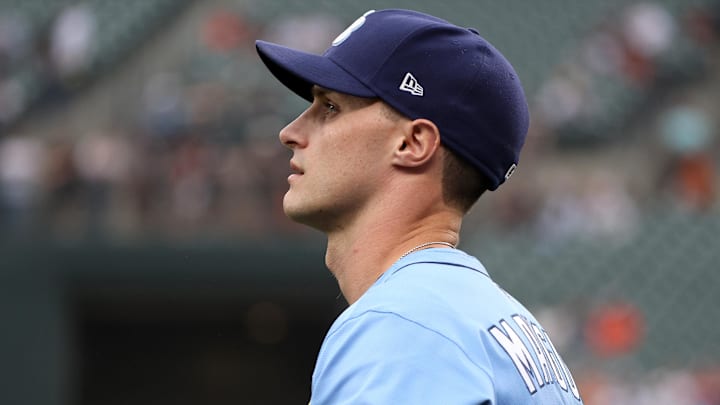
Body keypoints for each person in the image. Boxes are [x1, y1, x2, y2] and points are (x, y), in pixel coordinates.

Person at [256, 9, 583, 404]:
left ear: (412, 144)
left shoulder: (402, 328)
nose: (289, 132)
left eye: (330, 107)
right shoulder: (499, 322)